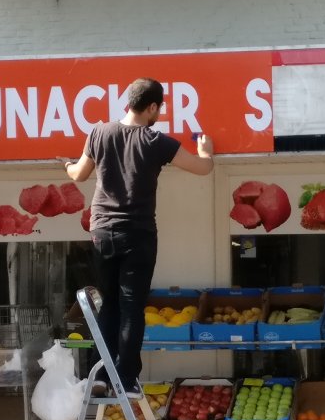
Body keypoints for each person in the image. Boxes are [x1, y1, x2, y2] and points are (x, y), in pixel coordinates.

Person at [63, 78, 214, 399]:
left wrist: (66, 166)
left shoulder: (100, 132)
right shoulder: (156, 141)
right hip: (138, 234)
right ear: (152, 108)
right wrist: (206, 151)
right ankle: (127, 380)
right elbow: (203, 168)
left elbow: (79, 174)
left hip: (101, 230)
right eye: (159, 108)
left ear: (127, 103)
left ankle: (100, 376)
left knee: (109, 306)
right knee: (132, 308)